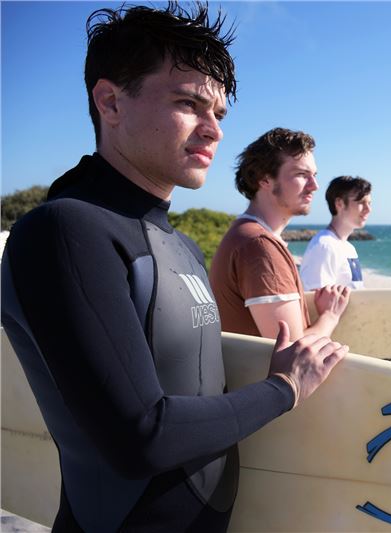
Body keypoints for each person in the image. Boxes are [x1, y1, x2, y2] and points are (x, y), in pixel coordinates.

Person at [0, 4, 346, 532]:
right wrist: (285, 389)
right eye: (190, 103)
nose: (214, 130)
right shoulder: (65, 233)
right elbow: (140, 437)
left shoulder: (180, 244)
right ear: (110, 102)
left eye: (220, 115)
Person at [210, 128, 351, 342]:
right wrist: (330, 316)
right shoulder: (259, 245)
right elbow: (292, 351)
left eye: (314, 175)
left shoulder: (246, 235)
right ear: (264, 180)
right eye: (302, 175)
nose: (315, 186)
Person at [300, 176, 372, 290]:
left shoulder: (348, 248)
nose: (368, 209)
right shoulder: (324, 246)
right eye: (361, 202)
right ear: (339, 203)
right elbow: (315, 302)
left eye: (369, 203)